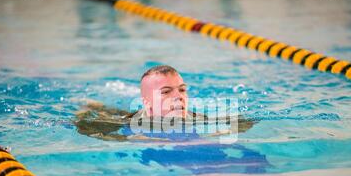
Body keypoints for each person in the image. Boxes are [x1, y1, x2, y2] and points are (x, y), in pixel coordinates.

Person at [75, 65, 254, 141]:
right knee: (102, 110)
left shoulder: (199, 119)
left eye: (182, 90)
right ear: (147, 103)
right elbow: (85, 127)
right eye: (166, 92)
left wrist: (224, 132)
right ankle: (92, 103)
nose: (178, 97)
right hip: (135, 117)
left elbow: (245, 122)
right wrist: (125, 139)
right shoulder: (130, 124)